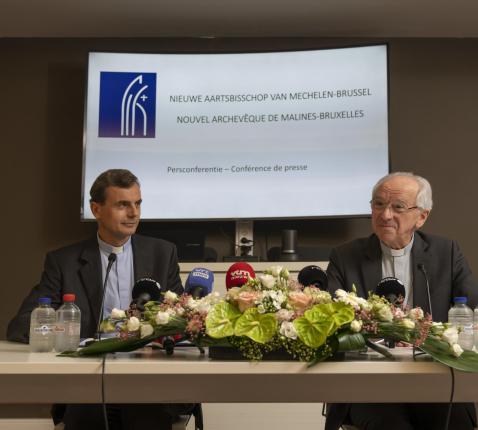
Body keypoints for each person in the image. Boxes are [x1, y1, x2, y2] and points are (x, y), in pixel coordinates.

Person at [7, 169, 196, 430]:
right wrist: (70, 335)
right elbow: (22, 324)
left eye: (137, 204)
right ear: (96, 209)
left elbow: (180, 319)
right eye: (122, 205)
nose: (133, 213)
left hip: (147, 381)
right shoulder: (64, 262)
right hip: (86, 383)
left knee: (146, 414)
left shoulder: (162, 254)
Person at [325, 172, 478, 430]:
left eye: (398, 207)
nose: (385, 215)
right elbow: (331, 322)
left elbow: (472, 308)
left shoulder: (446, 252)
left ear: (422, 216)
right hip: (368, 386)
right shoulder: (345, 256)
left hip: (434, 382)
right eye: (379, 204)